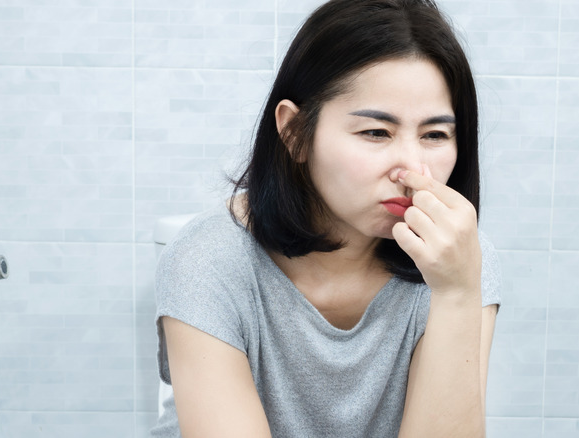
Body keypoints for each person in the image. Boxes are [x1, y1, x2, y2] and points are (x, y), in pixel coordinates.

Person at [151, 0, 501, 436]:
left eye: (434, 135)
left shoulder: (458, 261)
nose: (412, 170)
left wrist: (457, 293)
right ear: (295, 133)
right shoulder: (208, 262)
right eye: (376, 132)